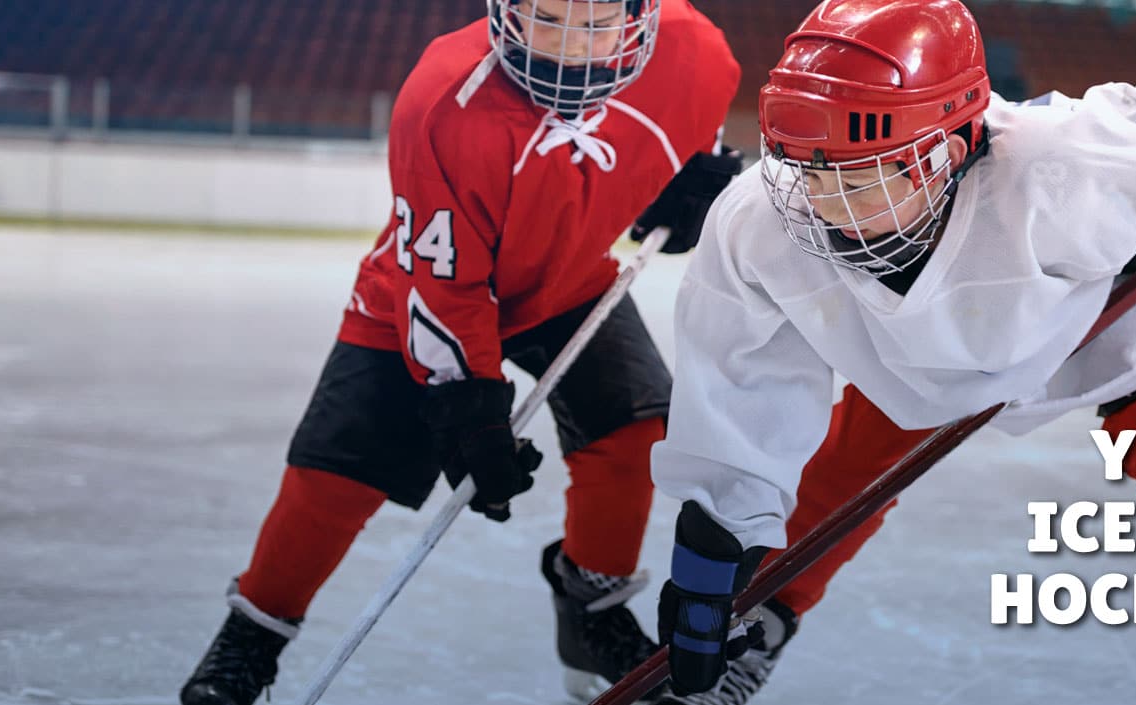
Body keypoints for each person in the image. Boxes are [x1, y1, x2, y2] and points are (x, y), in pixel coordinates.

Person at [649, 2, 1136, 704]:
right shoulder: (761, 222)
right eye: (808, 171)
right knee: (842, 474)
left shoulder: (1063, 162)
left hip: (1093, 316)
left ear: (944, 155)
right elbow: (743, 390)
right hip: (919, 359)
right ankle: (758, 627)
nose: (824, 204)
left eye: (855, 182)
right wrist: (711, 561)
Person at [176, 2, 741, 703]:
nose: (570, 47)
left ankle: (591, 613)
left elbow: (691, 140)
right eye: (548, 17)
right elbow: (445, 283)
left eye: (595, 25)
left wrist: (685, 184)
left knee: (631, 432)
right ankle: (251, 636)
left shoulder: (695, 53)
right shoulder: (444, 96)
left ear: (640, 17)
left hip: (569, 282)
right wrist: (469, 407)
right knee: (336, 474)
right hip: (426, 290)